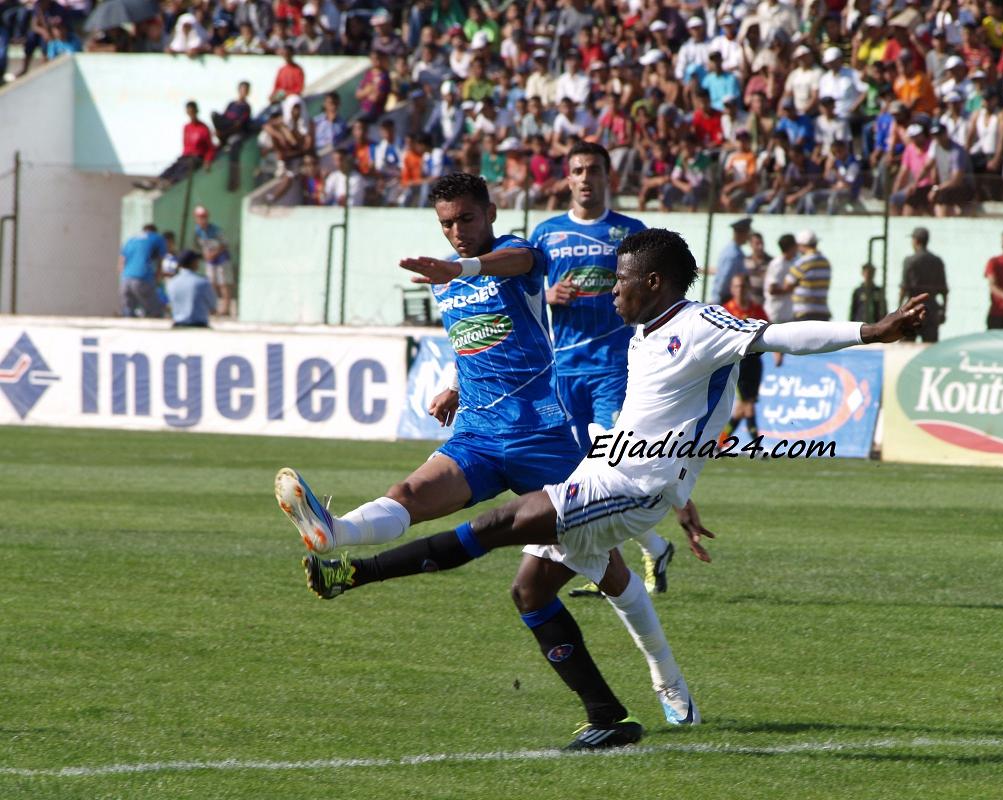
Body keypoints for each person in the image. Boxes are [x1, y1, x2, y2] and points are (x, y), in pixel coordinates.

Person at [288, 227, 927, 748]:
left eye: (619, 278)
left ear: (653, 282)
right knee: (530, 589)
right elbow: (668, 421)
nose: (609, 287)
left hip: (632, 487)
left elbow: (780, 335)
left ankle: (353, 573)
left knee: (497, 525)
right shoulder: (643, 334)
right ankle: (617, 713)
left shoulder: (700, 323)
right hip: (613, 472)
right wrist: (684, 491)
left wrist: (871, 332)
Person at [275, 174, 699, 750]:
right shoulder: (443, 280)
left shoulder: (514, 256)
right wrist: (453, 382)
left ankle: (666, 678)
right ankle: (335, 530)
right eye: (447, 224)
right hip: (477, 434)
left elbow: (522, 259)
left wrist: (465, 267)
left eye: (466, 220)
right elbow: (475, 338)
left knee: (603, 566)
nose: (456, 233)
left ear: (491, 212)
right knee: (411, 492)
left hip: (544, 437)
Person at [530, 142, 675, 598]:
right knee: (576, 473)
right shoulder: (546, 233)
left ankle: (623, 560)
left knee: (612, 462)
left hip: (614, 367)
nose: (585, 177)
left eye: (593, 169)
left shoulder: (630, 232)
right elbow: (526, 294)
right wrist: (549, 295)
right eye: (577, 170)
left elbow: (657, 293)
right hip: (563, 369)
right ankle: (650, 547)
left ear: (608, 176)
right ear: (567, 179)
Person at [720, 272, 769, 444]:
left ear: (748, 288)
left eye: (742, 286)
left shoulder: (756, 310)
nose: (740, 289)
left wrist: (778, 351)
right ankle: (757, 445)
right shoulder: (726, 310)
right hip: (738, 363)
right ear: (732, 289)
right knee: (748, 405)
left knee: (743, 407)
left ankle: (719, 443)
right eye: (736, 286)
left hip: (755, 363)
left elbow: (769, 330)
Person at [900, 227, 948, 341]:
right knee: (930, 348)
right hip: (931, 308)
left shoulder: (909, 260)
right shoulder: (937, 261)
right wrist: (943, 310)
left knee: (906, 345)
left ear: (916, 241)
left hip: (913, 307)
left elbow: (904, 287)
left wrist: (900, 311)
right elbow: (944, 291)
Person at [777, 229, 832, 321]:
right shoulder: (825, 262)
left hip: (804, 312)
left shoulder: (802, 262)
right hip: (822, 312)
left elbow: (787, 285)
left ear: (801, 245)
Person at [118, 224, 167, 318]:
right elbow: (160, 260)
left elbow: (121, 261)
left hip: (125, 279)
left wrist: (123, 276)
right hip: (143, 277)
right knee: (155, 312)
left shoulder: (131, 240)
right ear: (154, 231)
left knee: (128, 313)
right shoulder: (157, 238)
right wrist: (157, 277)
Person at [192, 206, 233, 317]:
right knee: (211, 284)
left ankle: (226, 309)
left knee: (224, 284)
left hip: (221, 258)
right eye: (200, 217)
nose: (202, 219)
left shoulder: (215, 229)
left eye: (204, 217)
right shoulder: (198, 230)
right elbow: (200, 245)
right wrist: (206, 254)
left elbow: (224, 244)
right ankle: (213, 307)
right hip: (210, 260)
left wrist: (214, 254)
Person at [167, 250, 217, 328]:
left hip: (178, 325)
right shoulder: (203, 282)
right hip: (199, 325)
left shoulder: (171, 283)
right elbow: (213, 306)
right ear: (193, 263)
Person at [711, 217, 750, 305]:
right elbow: (725, 278)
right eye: (747, 233)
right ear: (741, 234)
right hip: (725, 299)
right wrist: (719, 300)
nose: (748, 237)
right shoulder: (733, 254)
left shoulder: (736, 251)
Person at [765, 233, 798, 326]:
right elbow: (772, 289)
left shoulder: (794, 261)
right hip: (776, 313)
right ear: (791, 247)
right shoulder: (777, 264)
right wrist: (789, 289)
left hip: (789, 313)